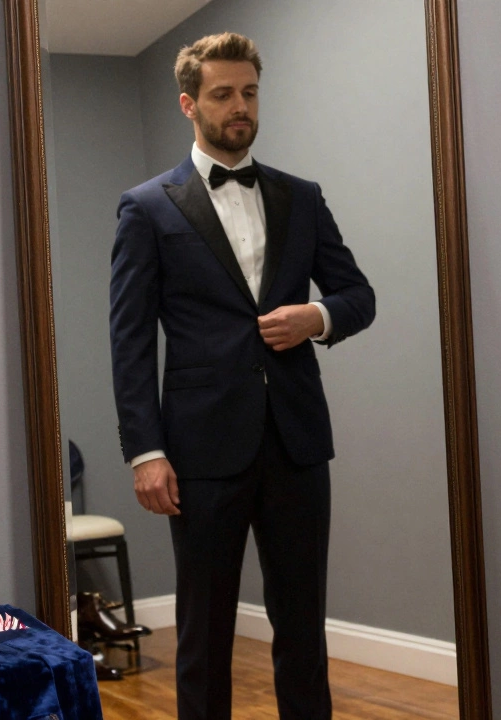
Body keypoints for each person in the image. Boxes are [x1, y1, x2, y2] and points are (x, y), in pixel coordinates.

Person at [108, 33, 375, 720]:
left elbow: (357, 295)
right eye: (224, 94)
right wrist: (146, 451)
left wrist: (314, 318)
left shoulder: (301, 197)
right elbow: (130, 339)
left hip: (297, 443)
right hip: (200, 453)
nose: (240, 107)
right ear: (189, 104)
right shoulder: (147, 207)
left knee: (303, 632)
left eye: (249, 93)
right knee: (204, 636)